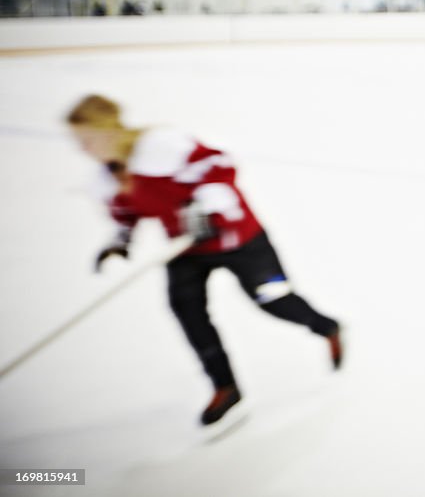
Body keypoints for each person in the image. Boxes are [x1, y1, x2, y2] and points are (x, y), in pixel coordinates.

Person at [66, 94, 342, 426]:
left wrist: (206, 205)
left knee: (272, 299)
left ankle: (327, 327)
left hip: (239, 239)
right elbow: (126, 212)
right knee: (187, 310)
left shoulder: (160, 147)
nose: (82, 149)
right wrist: (120, 239)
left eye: (87, 140)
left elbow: (218, 165)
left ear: (108, 131)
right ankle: (224, 386)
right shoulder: (111, 176)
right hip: (186, 248)